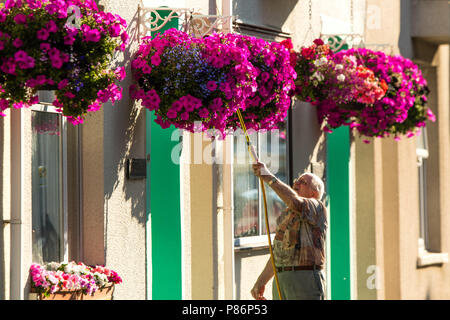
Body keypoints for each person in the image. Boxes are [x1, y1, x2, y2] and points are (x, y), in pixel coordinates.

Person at [250, 161, 327, 300]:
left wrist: (268, 176)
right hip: (281, 279)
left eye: (303, 182)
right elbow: (277, 253)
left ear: (314, 193)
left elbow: (295, 202)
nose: (296, 183)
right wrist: (261, 281)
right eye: (296, 180)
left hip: (305, 279)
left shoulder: (317, 207)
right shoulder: (286, 215)